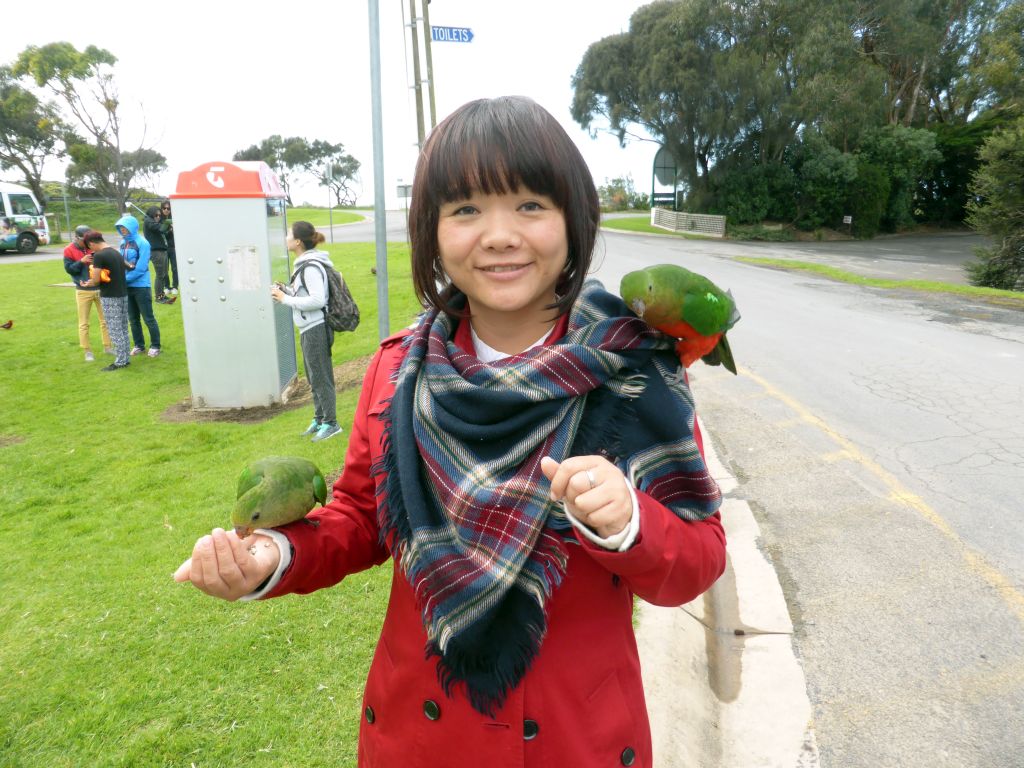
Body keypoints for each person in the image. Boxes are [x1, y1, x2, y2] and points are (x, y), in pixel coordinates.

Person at [174, 96, 726, 768]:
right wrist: (272, 557)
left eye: (530, 205)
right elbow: (358, 516)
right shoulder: (395, 369)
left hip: (574, 737)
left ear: (575, 221)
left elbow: (695, 561)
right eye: (465, 210)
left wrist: (627, 521)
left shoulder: (637, 368)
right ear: (432, 232)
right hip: (418, 734)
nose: (498, 235)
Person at [270, 221, 342, 442]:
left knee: (321, 377)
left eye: (289, 234)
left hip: (316, 327)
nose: (286, 237)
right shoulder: (304, 263)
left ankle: (331, 424)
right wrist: (287, 290)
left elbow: (317, 299)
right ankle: (320, 418)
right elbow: (305, 293)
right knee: (314, 376)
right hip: (308, 327)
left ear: (298, 241)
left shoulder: (310, 266)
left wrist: (286, 299)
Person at [81, 230, 131, 371]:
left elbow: (96, 280)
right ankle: (125, 357)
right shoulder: (116, 252)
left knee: (115, 330)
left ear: (91, 243)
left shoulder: (100, 256)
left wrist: (88, 283)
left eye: (90, 247)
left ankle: (121, 361)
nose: (91, 250)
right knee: (123, 328)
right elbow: (127, 269)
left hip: (110, 296)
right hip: (122, 294)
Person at [63, 224, 113, 362]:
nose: (87, 244)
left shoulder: (94, 246)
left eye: (88, 240)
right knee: (84, 323)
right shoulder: (68, 250)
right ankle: (87, 351)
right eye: (84, 240)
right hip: (83, 291)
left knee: (105, 320)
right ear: (76, 237)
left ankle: (108, 347)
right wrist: (81, 261)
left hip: (100, 289)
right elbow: (69, 270)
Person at [115, 214, 162, 358]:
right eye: (120, 228)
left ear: (132, 227)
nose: (123, 230)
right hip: (127, 287)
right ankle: (139, 345)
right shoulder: (123, 243)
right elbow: (121, 262)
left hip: (141, 286)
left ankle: (155, 345)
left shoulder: (143, 243)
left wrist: (124, 280)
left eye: (125, 227)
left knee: (148, 317)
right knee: (133, 318)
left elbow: (141, 268)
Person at [143, 206, 175, 304]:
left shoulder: (155, 222)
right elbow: (161, 229)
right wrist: (168, 221)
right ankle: (159, 297)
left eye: (159, 215)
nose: (158, 217)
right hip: (156, 252)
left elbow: (163, 232)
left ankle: (162, 295)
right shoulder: (148, 221)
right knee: (160, 275)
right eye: (156, 215)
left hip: (162, 250)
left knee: (164, 274)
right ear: (152, 214)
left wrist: (169, 229)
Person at [161, 200, 178, 297]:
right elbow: (162, 234)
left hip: (173, 247)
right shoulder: (160, 220)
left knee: (175, 268)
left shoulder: (174, 219)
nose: (166, 210)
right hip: (164, 248)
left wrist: (174, 228)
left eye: (168, 208)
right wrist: (169, 230)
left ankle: (175, 287)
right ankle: (167, 287)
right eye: (164, 208)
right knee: (165, 269)